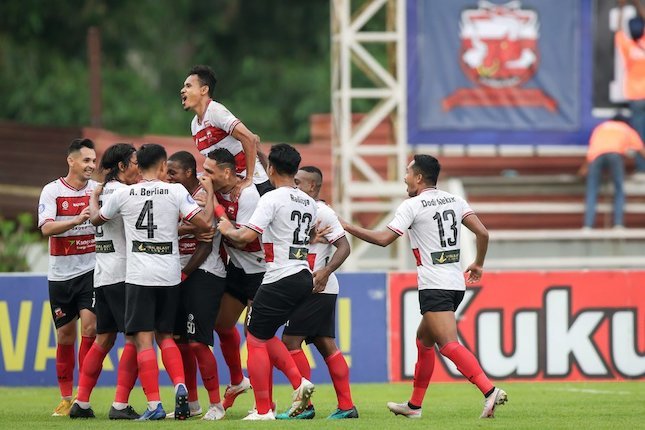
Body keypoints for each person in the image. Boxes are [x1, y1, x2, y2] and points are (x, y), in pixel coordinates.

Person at [341, 154, 508, 419]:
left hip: (434, 284)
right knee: (423, 340)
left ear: (419, 177)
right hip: (455, 283)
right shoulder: (455, 200)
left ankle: (490, 391)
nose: (404, 178)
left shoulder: (413, 205)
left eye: (407, 173)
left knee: (448, 344)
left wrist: (346, 226)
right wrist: (478, 263)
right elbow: (483, 233)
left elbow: (384, 239)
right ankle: (414, 406)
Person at [90, 143, 213, 420]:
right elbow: (204, 224)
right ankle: (180, 385)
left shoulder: (124, 193)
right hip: (169, 275)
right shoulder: (176, 191)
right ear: (162, 165)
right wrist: (210, 196)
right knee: (166, 336)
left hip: (139, 276)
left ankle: (155, 404)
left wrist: (95, 197)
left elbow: (97, 219)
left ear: (140, 165)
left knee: (144, 341)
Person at [217, 143, 317, 421]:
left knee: (255, 339)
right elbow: (309, 235)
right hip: (303, 275)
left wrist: (225, 226)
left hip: (279, 275)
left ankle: (263, 410)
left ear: (270, 169)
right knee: (263, 333)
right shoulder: (308, 201)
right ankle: (298, 382)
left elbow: (245, 236)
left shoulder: (271, 198)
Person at [277, 165, 358, 420]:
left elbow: (344, 247)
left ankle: (305, 406)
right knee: (326, 346)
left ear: (312, 186)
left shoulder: (321, 211)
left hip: (316, 287)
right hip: (309, 287)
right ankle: (346, 406)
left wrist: (325, 271)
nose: (294, 186)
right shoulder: (298, 209)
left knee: (290, 342)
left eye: (298, 182)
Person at [71, 143, 141, 419]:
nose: (139, 167)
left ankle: (81, 402)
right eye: (135, 162)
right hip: (123, 275)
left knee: (104, 339)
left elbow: (96, 219)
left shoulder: (101, 191)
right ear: (121, 166)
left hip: (102, 274)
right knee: (137, 339)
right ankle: (120, 405)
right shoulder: (125, 193)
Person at [38, 138, 98, 417]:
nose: (91, 165)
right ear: (71, 161)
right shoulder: (52, 191)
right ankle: (65, 397)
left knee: (91, 328)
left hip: (92, 271)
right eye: (86, 160)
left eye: (94, 160)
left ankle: (81, 396)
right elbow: (46, 228)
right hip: (61, 275)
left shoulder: (98, 190)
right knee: (65, 335)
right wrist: (75, 220)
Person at [166, 151, 227, 421]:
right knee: (180, 343)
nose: (169, 177)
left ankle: (216, 405)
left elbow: (205, 243)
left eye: (173, 172)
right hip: (177, 272)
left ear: (189, 172)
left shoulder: (203, 197)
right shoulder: (172, 195)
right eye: (167, 172)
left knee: (198, 343)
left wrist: (184, 274)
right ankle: (191, 403)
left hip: (203, 273)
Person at [201, 148, 262, 410]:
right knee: (222, 325)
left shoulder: (247, 195)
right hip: (237, 269)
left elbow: (241, 240)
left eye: (209, 171)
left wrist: (214, 205)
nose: (204, 176)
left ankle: (265, 403)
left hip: (261, 271)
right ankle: (238, 381)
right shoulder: (214, 192)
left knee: (256, 338)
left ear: (227, 172)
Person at [180, 64, 273, 196]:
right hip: (229, 187)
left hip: (254, 184)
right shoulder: (194, 125)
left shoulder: (215, 111)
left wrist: (248, 179)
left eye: (188, 86)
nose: (183, 90)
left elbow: (250, 138)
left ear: (204, 90)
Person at [579, 115, 645, 229]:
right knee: (618, 188)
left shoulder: (601, 127)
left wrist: (584, 168)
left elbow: (592, 148)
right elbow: (640, 148)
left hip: (596, 157)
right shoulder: (625, 128)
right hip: (615, 154)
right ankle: (618, 224)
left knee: (592, 190)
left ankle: (588, 225)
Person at [615, 0, 645, 142]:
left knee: (638, 133)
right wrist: (638, 4)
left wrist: (621, 8)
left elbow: (618, 31)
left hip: (635, 94)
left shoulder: (628, 46)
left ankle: (641, 157)